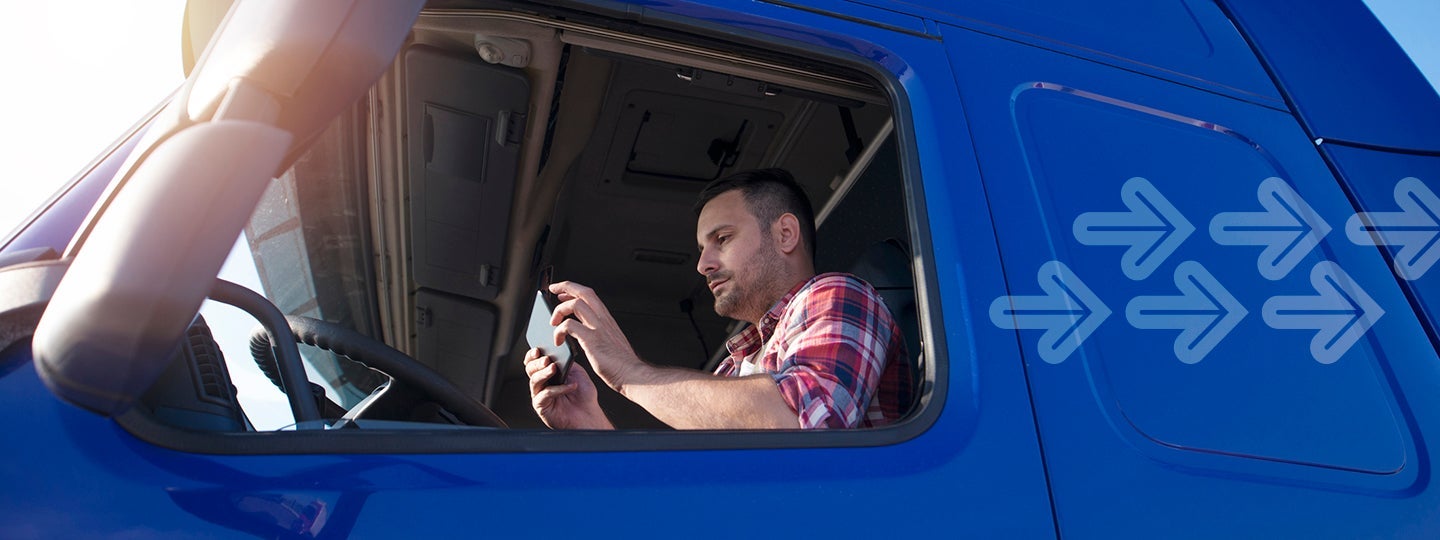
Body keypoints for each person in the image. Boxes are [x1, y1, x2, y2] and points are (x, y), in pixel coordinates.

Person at [524, 168, 909, 429]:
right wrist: (590, 423)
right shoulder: (731, 370)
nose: (703, 265)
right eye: (701, 248)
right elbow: (688, 490)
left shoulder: (840, 295)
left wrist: (628, 373)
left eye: (722, 239)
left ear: (786, 234)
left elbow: (801, 424)